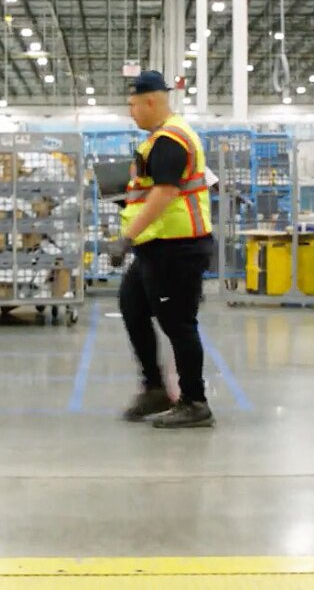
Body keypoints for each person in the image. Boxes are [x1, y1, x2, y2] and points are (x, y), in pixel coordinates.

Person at [109, 71, 216, 429]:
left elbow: (166, 193)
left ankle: (195, 401)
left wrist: (127, 238)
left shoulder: (170, 139)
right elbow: (151, 191)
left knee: (178, 324)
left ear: (150, 101)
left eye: (133, 105)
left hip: (177, 249)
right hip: (156, 247)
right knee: (132, 305)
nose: (131, 113)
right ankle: (155, 387)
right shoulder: (159, 140)